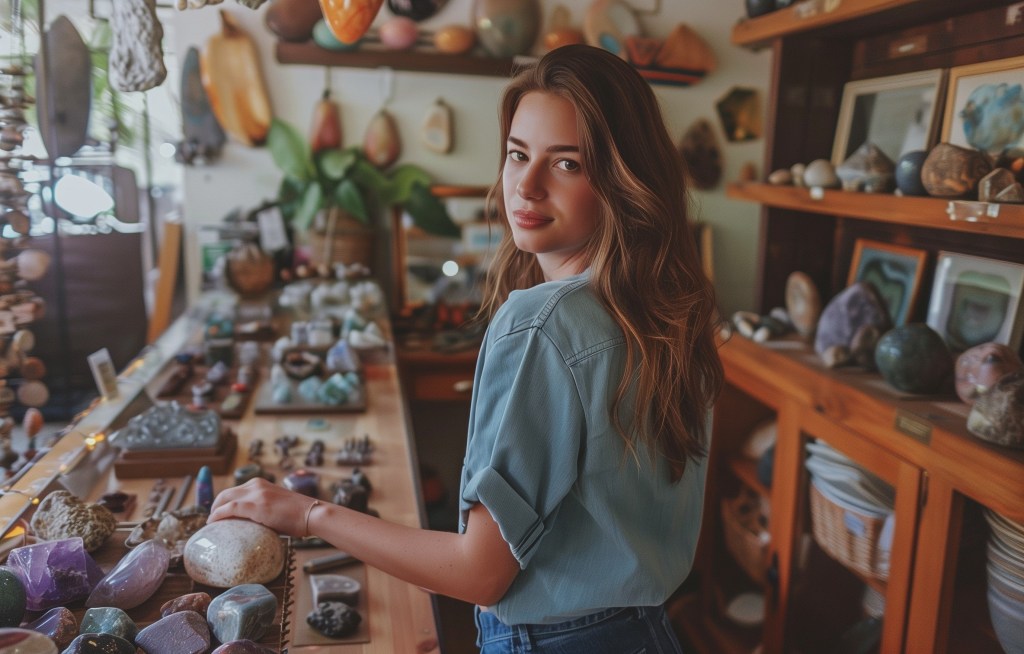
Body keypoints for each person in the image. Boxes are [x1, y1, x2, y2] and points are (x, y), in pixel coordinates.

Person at [210, 43, 723, 653]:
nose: (525, 186)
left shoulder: (541, 324)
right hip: (648, 632)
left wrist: (306, 514)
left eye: (567, 164)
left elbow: (479, 573)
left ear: (622, 179)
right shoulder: (665, 313)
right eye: (517, 154)